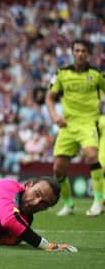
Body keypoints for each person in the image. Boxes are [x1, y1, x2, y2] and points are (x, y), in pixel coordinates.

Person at [46, 39, 105, 217]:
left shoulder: (96, 74)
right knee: (58, 169)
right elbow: (49, 98)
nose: (80, 54)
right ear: (72, 53)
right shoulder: (62, 74)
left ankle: (98, 201)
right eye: (77, 50)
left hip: (88, 123)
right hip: (68, 126)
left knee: (92, 155)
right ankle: (69, 204)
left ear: (88, 54)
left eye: (83, 51)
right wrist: (56, 117)